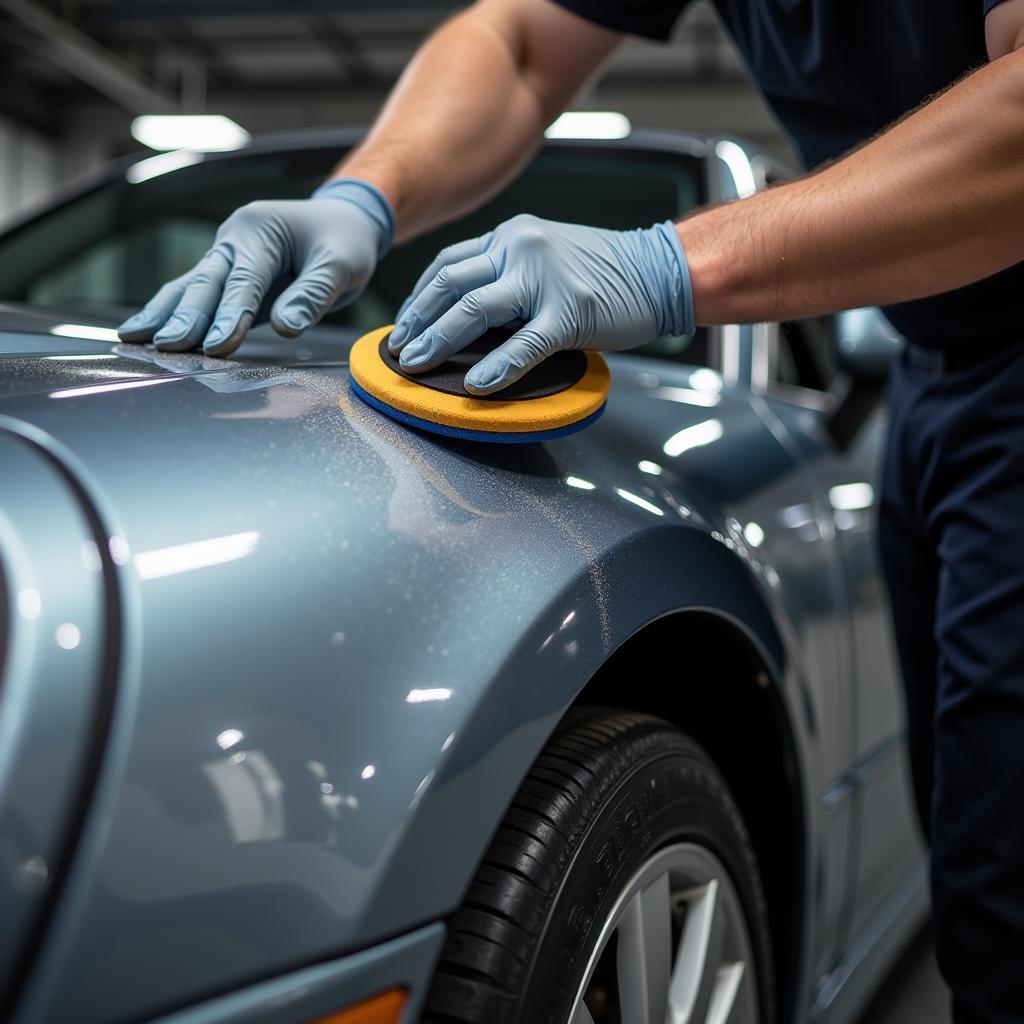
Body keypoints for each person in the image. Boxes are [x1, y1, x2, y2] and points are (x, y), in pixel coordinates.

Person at [119, 1, 1024, 1019]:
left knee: (1005, 895)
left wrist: (667, 266)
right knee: (972, 839)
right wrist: (363, 196)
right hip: (931, 371)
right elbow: (515, 44)